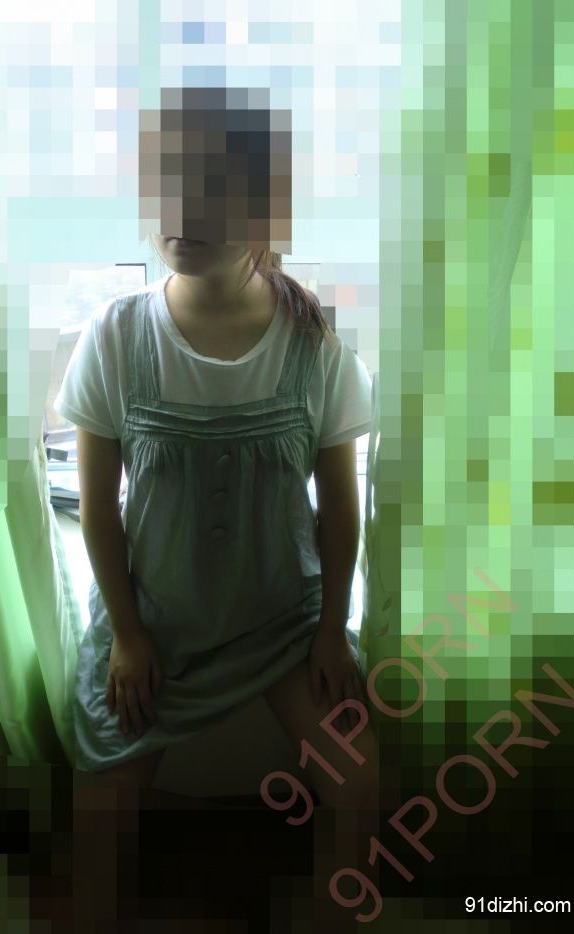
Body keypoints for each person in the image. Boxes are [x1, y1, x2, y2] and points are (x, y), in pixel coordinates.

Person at [54, 89, 379, 811]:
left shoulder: (315, 344)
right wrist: (128, 635)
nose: (181, 210)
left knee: (359, 789)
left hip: (284, 622)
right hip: (154, 622)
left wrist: (331, 631)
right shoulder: (115, 336)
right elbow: (100, 509)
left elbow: (338, 508)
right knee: (100, 814)